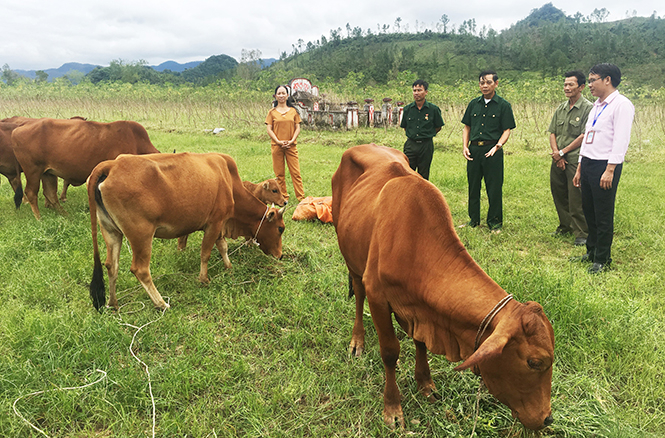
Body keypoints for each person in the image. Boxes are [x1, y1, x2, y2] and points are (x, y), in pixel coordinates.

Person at [572, 64, 634, 274]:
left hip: (605, 164)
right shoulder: (596, 106)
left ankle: (602, 259)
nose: (589, 85)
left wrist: (610, 169)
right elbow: (588, 138)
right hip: (588, 161)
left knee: (603, 212)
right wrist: (580, 166)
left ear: (607, 80)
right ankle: (591, 250)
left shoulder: (621, 105)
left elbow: (621, 140)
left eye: (592, 80)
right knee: (588, 209)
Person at [461, 70, 516, 233]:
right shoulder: (473, 104)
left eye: (488, 82)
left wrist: (498, 146)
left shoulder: (503, 105)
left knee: (494, 187)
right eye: (482, 83)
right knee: (473, 185)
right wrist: (465, 146)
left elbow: (507, 129)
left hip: (492, 150)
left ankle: (495, 222)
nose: (485, 86)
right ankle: (473, 220)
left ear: (496, 84)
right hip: (474, 150)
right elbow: (467, 127)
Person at [548, 71, 593, 246]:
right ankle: (565, 226)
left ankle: (582, 232)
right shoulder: (561, 108)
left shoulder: (588, 108)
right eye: (565, 84)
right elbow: (552, 132)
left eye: (571, 85)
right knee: (559, 193)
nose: (566, 88)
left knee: (576, 197)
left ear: (581, 87)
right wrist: (556, 153)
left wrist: (563, 152)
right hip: (558, 158)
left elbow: (584, 135)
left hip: (575, 159)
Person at [265, 85, 305, 202]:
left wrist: (292, 140)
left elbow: (297, 127)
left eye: (284, 93)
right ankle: (283, 197)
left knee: (296, 173)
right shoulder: (271, 112)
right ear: (275, 96)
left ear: (287, 96)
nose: (281, 95)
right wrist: (278, 141)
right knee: (279, 175)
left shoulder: (293, 111)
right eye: (279, 93)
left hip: (291, 146)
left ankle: (301, 198)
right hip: (276, 146)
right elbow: (269, 129)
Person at [399, 79, 444, 180]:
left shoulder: (433, 109)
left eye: (419, 90)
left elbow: (438, 126)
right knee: (407, 172)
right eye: (414, 90)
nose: (416, 93)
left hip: (426, 145)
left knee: (423, 174)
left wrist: (426, 135)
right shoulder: (407, 109)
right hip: (411, 144)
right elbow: (405, 127)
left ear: (426, 92)